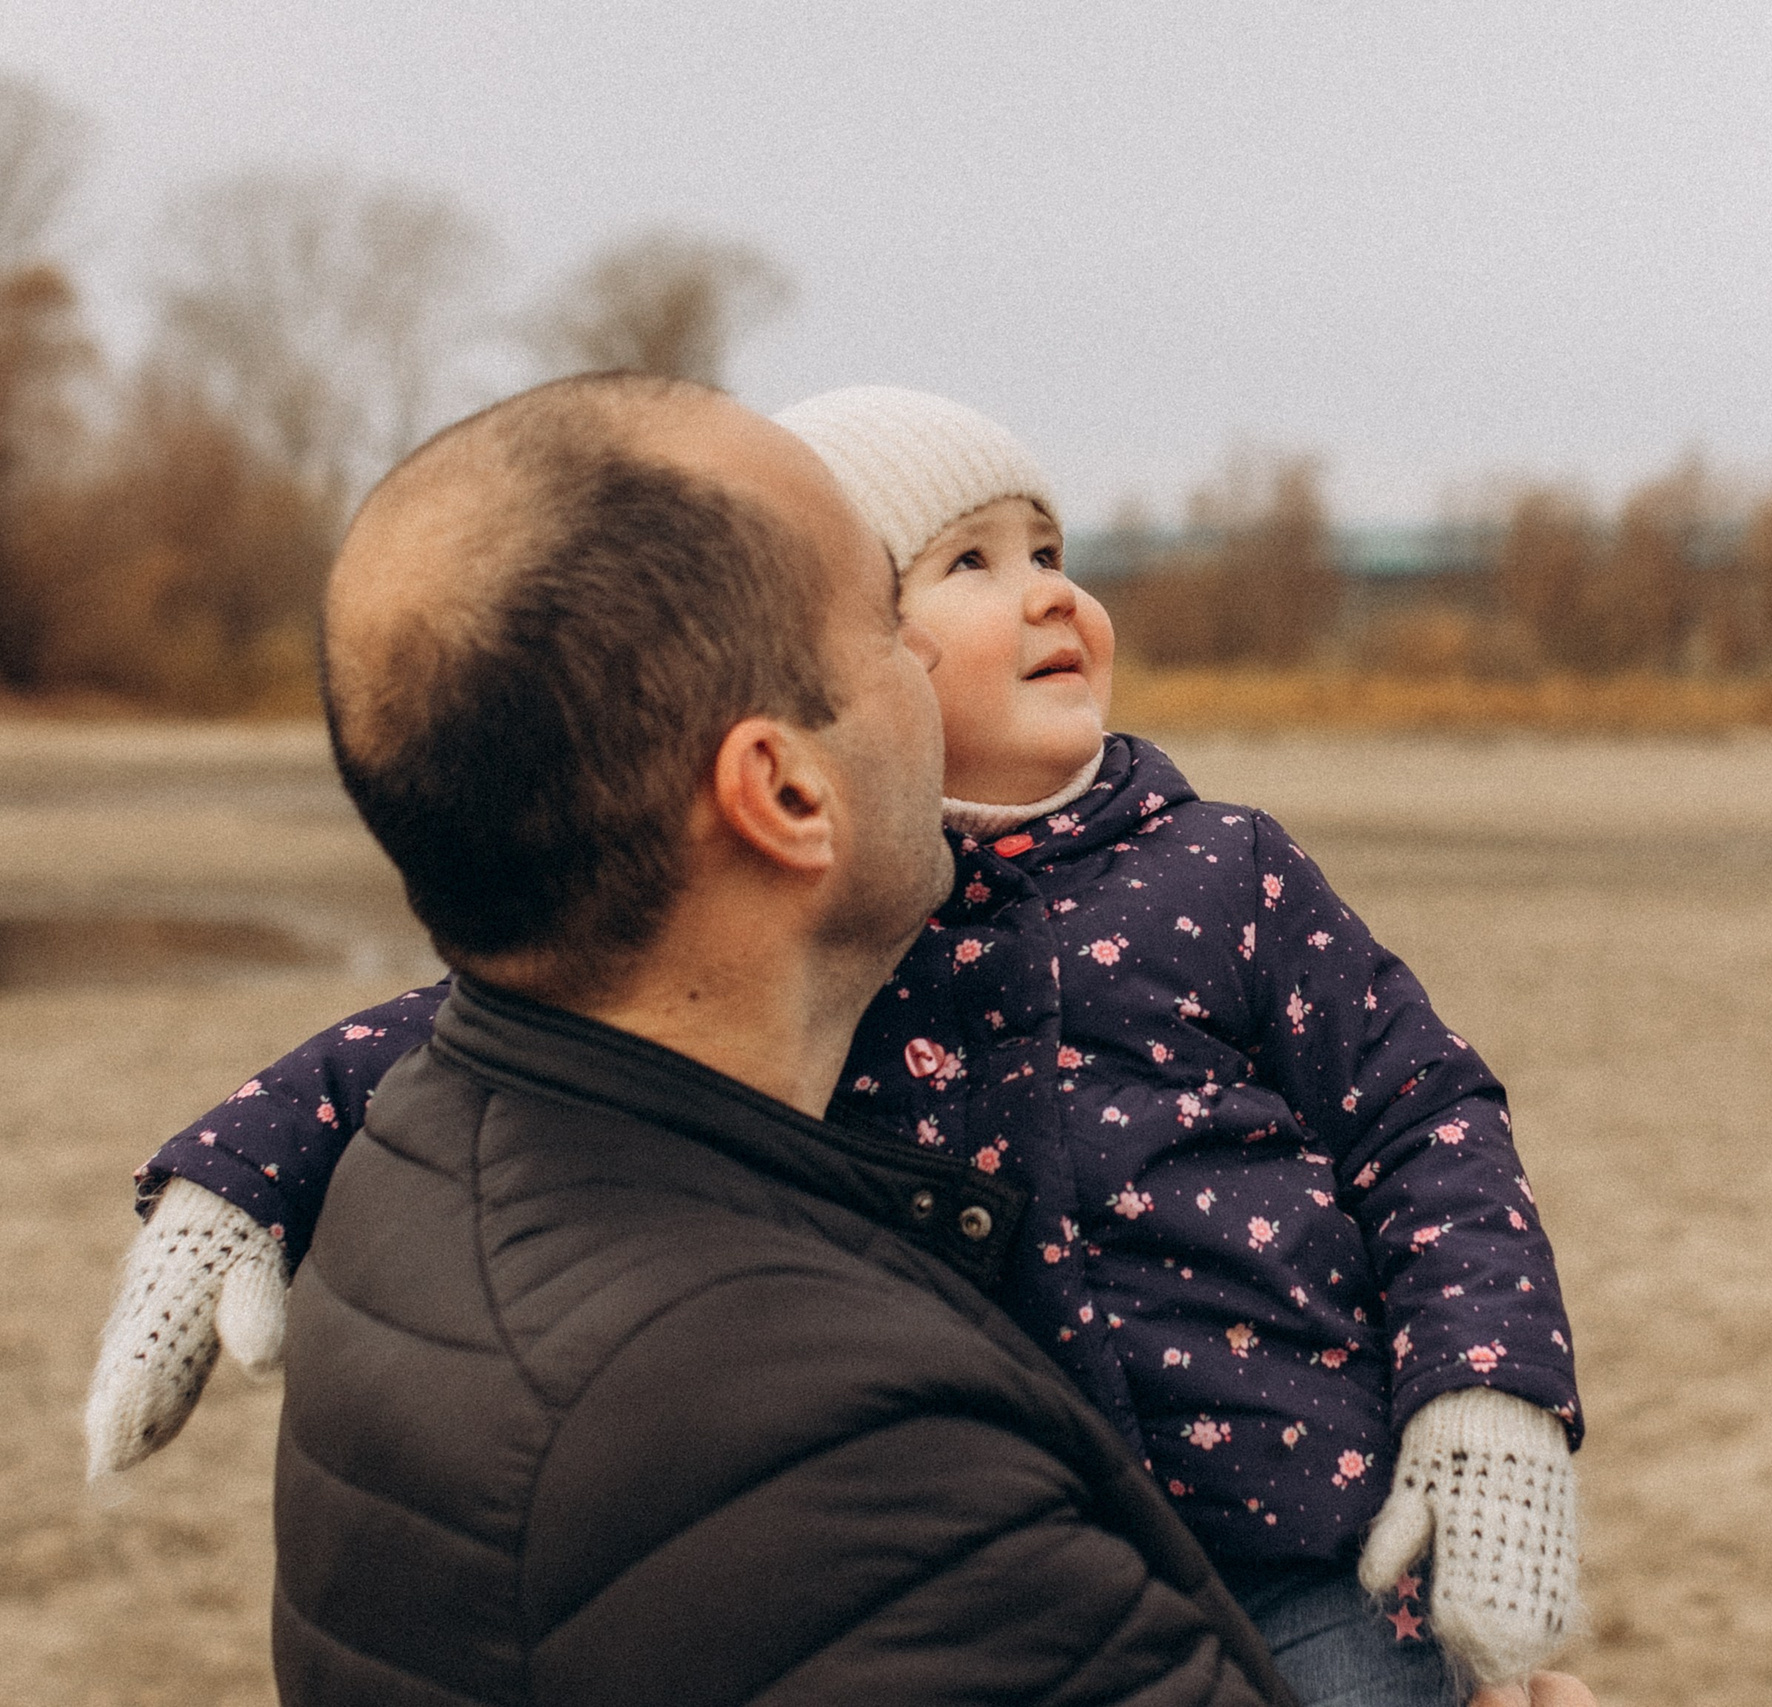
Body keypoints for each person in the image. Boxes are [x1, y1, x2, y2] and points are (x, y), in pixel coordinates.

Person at [91, 388, 1588, 1705]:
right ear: (780, 783)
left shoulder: (1221, 869)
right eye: (953, 574)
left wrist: (1488, 1385)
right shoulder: (851, 939)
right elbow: (439, 1021)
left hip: (1305, 1530)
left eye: (1053, 552)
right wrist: (239, 1167)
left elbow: (1428, 1116)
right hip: (1048, 1512)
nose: (1049, 597)